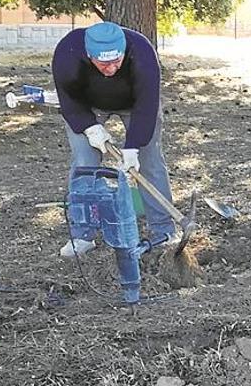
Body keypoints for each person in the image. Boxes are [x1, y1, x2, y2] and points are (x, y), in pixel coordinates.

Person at [52, 21, 175, 257]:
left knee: (150, 162)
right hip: (88, 107)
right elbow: (68, 100)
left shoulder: (142, 52)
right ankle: (82, 235)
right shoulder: (67, 53)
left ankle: (163, 230)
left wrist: (133, 147)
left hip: (135, 106)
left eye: (116, 62)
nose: (111, 70)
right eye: (103, 64)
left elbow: (147, 106)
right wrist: (89, 127)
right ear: (89, 55)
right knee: (84, 165)